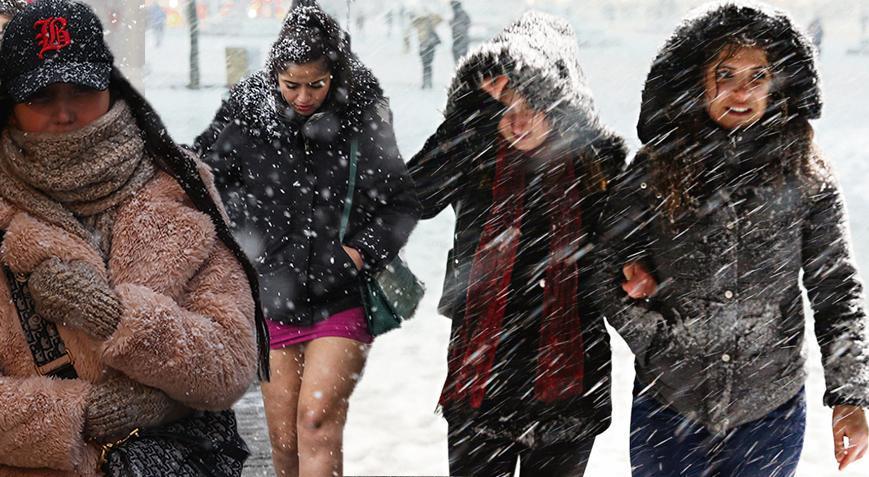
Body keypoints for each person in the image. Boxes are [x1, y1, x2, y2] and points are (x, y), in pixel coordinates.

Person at [598, 3, 869, 476]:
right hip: (669, 406)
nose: (741, 92)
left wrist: (850, 396)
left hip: (770, 411)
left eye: (758, 76)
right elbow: (603, 263)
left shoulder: (808, 175)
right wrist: (656, 339)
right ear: (699, 82)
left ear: (777, 83)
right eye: (725, 74)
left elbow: (836, 288)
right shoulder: (652, 169)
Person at [0, 1, 268, 475]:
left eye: (82, 89)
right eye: (41, 96)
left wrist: (115, 319)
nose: (65, 112)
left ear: (110, 86)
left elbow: (230, 359)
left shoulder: (179, 187)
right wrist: (77, 414)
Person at [409, 11, 651, 477]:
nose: (517, 119)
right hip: (481, 380)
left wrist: (637, 271)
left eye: (534, 103)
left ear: (562, 102)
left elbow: (631, 246)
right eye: (506, 105)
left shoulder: (598, 164)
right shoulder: (475, 153)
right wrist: (466, 120)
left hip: (569, 383)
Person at [194, 4, 419, 476]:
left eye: (316, 85)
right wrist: (249, 234)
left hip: (341, 298)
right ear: (274, 75)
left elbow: (400, 203)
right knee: (283, 441)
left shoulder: (361, 118)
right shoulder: (248, 115)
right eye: (290, 84)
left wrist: (358, 253)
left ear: (333, 76)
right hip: (272, 298)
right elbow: (206, 179)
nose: (303, 97)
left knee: (316, 422)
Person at [411, 9, 442, 89]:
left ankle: (427, 82)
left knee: (427, 64)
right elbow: (413, 22)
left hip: (428, 45)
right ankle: (426, 82)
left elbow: (440, 19)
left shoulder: (429, 20)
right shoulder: (420, 21)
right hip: (425, 45)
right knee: (426, 65)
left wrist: (430, 14)